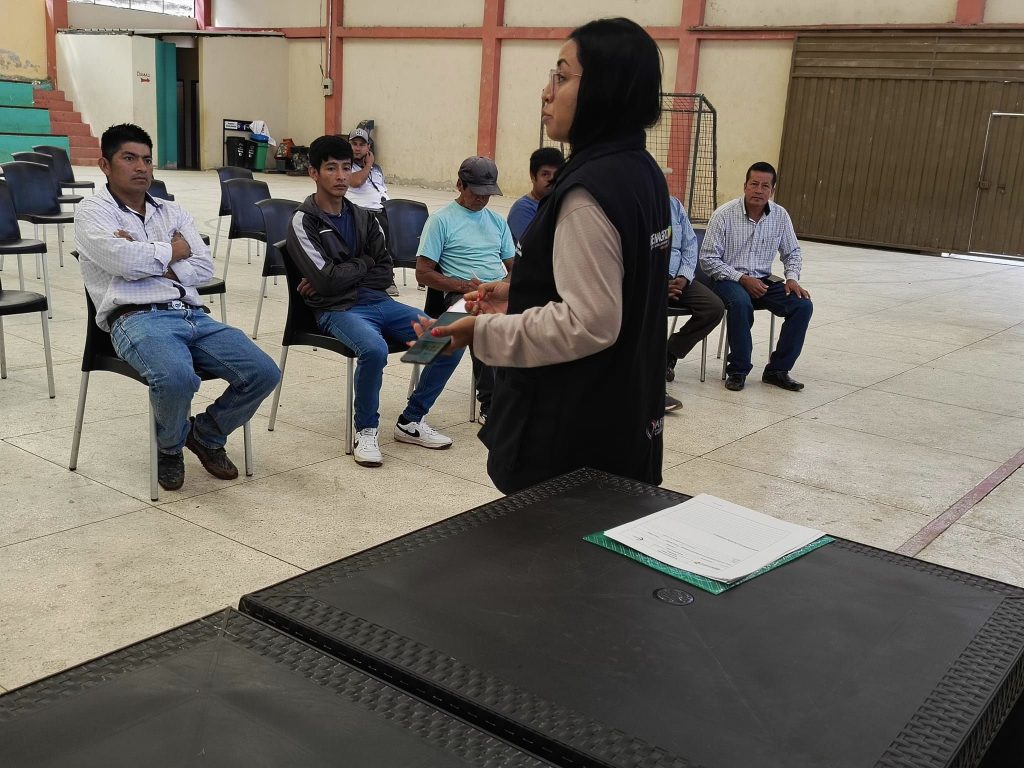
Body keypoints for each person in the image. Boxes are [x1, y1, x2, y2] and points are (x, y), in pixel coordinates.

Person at [431, 17, 670, 494]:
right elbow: (613, 284)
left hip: (571, 437)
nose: (546, 93)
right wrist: (519, 291)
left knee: (551, 541)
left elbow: (590, 322)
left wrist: (482, 331)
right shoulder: (642, 172)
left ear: (603, 89)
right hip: (627, 416)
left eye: (561, 77)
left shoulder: (586, 192)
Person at [75, 123, 280, 491]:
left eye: (147, 160)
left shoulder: (173, 211)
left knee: (263, 371)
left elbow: (203, 267)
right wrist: (173, 251)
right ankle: (169, 448)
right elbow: (121, 262)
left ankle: (205, 434)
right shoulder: (92, 212)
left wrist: (145, 255)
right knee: (177, 378)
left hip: (191, 314)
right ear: (105, 164)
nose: (141, 167)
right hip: (135, 319)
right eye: (129, 158)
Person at [286, 134, 463, 467]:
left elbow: (384, 271)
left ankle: (411, 421)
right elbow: (326, 281)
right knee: (374, 349)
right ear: (313, 173)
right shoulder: (304, 220)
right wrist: (359, 265)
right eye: (331, 168)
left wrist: (343, 272)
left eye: (346, 168)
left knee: (450, 337)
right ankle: (366, 430)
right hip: (336, 309)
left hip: (379, 302)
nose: (341, 176)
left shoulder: (365, 217)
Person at [414, 156, 516, 423]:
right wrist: (462, 285)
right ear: (460, 185)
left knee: (547, 316)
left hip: (496, 289)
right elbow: (423, 273)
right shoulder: (441, 221)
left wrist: (504, 285)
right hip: (462, 292)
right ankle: (491, 404)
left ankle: (524, 397)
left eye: (487, 194)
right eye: (477, 192)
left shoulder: (497, 222)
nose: (482, 199)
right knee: (483, 322)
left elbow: (514, 267)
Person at [699, 161, 812, 392]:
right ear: (745, 186)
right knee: (740, 303)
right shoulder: (724, 215)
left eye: (765, 186)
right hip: (727, 279)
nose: (758, 190)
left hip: (763, 281)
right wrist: (742, 278)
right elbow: (708, 260)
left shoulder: (780, 215)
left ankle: (777, 370)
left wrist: (792, 278)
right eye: (754, 184)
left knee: (802, 305)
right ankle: (738, 370)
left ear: (772, 191)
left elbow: (792, 252)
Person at [664, 194, 725, 412]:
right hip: (647, 282)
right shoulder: (634, 204)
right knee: (648, 310)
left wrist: (684, 276)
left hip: (678, 278)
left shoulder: (674, 205)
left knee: (713, 308)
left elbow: (690, 245)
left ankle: (669, 354)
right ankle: (651, 382)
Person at [346, 126, 400, 296]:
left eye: (362, 144)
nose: (357, 148)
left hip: (381, 209)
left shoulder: (377, 169)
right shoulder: (345, 166)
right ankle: (387, 278)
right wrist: (368, 165)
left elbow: (381, 190)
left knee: (403, 222)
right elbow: (356, 182)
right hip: (360, 211)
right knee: (381, 227)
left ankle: (388, 273)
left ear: (368, 147)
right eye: (354, 144)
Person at [506, 147, 564, 245]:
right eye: (545, 174)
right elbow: (536, 247)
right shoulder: (522, 210)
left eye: (557, 175)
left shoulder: (561, 203)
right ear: (533, 176)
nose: (552, 180)